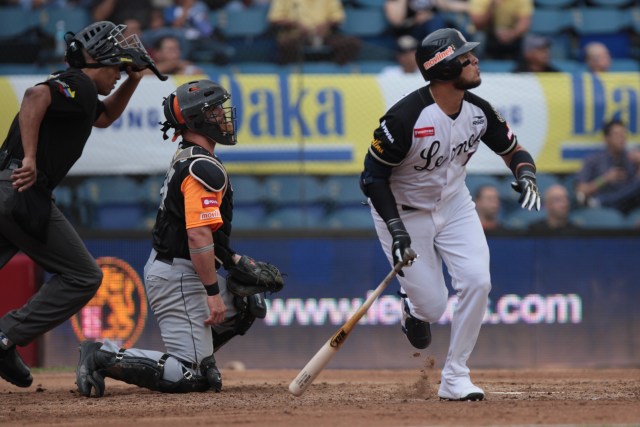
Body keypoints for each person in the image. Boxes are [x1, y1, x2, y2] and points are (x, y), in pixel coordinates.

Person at [359, 28, 541, 401]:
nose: (474, 60)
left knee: (478, 282)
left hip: (455, 204)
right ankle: (413, 308)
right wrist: (396, 230)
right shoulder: (405, 118)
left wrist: (525, 174)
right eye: (465, 57)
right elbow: (372, 178)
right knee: (433, 306)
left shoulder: (479, 110)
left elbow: (513, 150)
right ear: (442, 69)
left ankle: (456, 375)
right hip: (403, 212)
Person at [74, 80, 283, 397]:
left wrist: (236, 261)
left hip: (183, 268)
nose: (224, 117)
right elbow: (197, 234)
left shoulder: (193, 155)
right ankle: (102, 356)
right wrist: (213, 292)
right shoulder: (202, 166)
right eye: (215, 111)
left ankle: (198, 354)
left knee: (246, 301)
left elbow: (209, 234)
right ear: (198, 119)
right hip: (179, 275)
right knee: (191, 377)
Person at [0, 20, 157, 389]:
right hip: (22, 189)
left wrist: (136, 79)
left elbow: (104, 118)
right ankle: (6, 336)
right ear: (96, 61)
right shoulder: (81, 83)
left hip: (5, 188)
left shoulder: (83, 94)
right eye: (117, 68)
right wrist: (30, 159)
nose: (119, 75)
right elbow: (34, 96)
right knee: (84, 276)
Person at [575, 119, 640, 214]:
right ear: (606, 139)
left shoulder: (631, 158)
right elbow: (581, 191)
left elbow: (635, 185)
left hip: (629, 204)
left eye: (624, 134)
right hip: (607, 208)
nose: (622, 138)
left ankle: (599, 201)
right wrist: (605, 179)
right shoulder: (593, 160)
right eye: (617, 135)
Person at [267, 0, 362, 65]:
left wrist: (325, 25)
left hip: (323, 35)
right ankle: (294, 72)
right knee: (284, 45)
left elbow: (338, 17)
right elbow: (274, 18)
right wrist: (295, 24)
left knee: (352, 43)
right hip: (297, 35)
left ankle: (330, 70)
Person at [468, 0, 534, 60]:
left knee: (528, 39)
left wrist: (513, 33)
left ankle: (521, 69)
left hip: (512, 33)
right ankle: (476, 65)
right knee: (479, 37)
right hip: (488, 33)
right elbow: (478, 24)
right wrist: (491, 7)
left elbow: (524, 22)